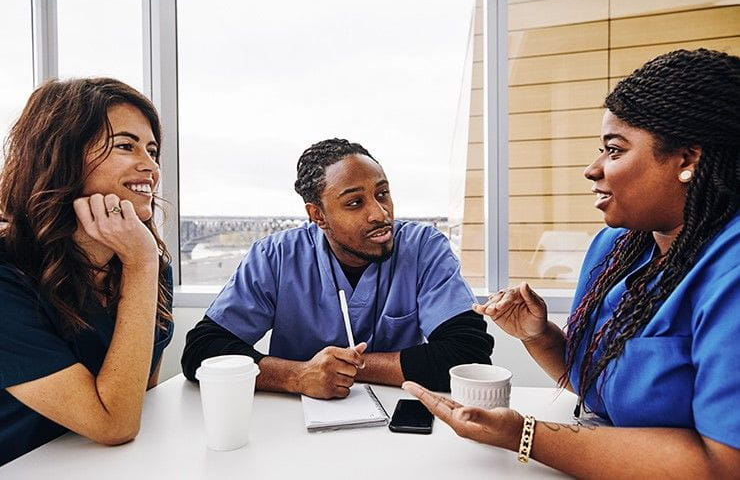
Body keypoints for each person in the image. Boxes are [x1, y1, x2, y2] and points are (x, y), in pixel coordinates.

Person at [404, 48, 740, 476]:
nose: (592, 169)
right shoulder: (616, 248)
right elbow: (597, 387)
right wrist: (538, 336)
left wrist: (523, 435)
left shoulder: (731, 273)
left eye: (614, 151)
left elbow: (724, 464)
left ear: (687, 160)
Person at [182, 138, 493, 398]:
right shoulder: (274, 257)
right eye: (355, 203)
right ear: (318, 215)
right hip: (289, 426)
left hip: (396, 425)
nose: (379, 213)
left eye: (382, 193)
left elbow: (468, 357)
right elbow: (202, 352)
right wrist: (298, 376)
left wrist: (345, 369)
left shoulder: (423, 248)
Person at [0, 78, 174, 465]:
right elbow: (114, 424)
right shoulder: (8, 275)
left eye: (153, 150)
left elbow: (139, 393)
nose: (151, 167)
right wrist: (141, 265)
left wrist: (142, 265)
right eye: (125, 146)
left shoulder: (146, 263)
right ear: (62, 157)